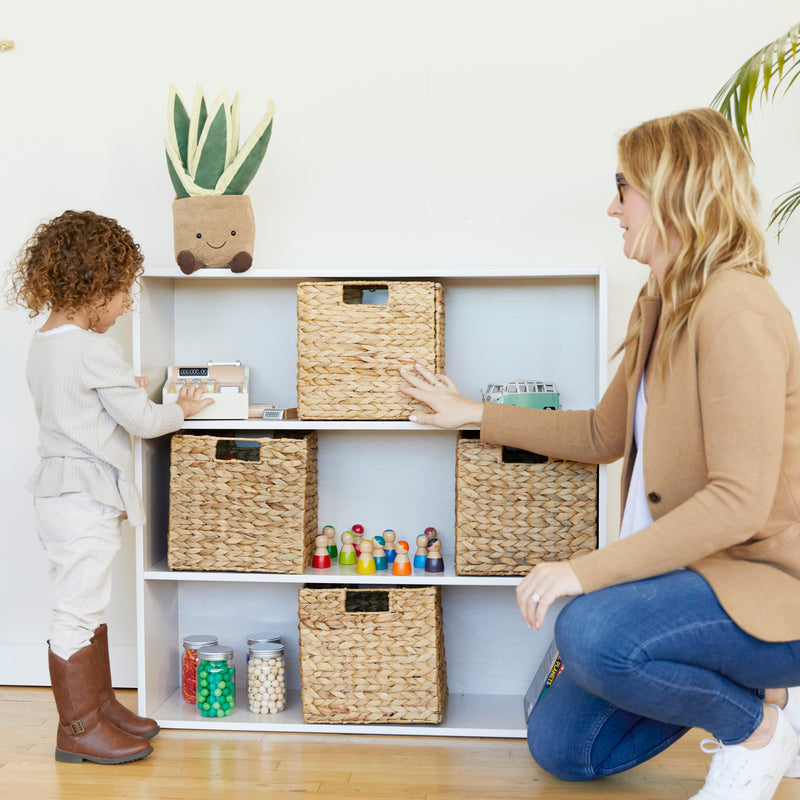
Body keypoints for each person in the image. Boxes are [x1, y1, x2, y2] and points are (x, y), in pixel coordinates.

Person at [399, 108, 800, 800]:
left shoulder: (737, 310)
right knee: (564, 747)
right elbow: (602, 435)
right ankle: (757, 697)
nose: (612, 207)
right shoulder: (662, 302)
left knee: (590, 630)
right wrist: (471, 414)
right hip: (688, 584)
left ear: (673, 190)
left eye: (625, 187)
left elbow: (738, 503)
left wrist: (584, 572)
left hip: (762, 592)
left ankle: (755, 730)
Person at [5, 210, 214, 765]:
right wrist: (180, 409)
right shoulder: (95, 349)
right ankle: (77, 728)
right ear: (96, 289)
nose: (125, 307)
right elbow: (142, 423)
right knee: (77, 607)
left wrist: (125, 391)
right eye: (123, 294)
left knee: (86, 601)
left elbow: (82, 407)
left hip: (55, 490)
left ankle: (101, 708)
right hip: (87, 493)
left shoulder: (44, 343)